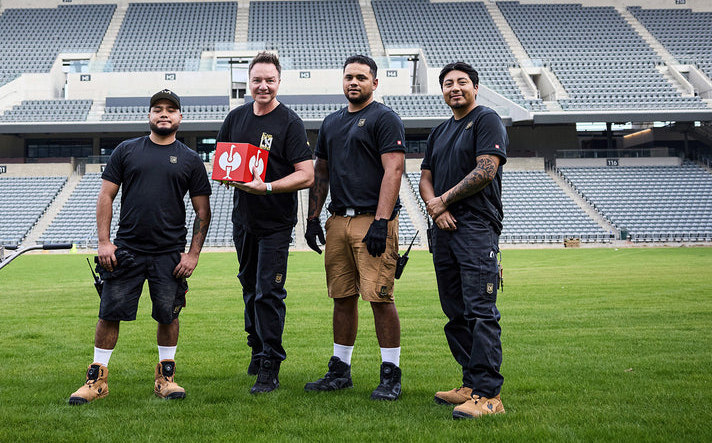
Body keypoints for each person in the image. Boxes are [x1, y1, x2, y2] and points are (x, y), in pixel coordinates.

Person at [69, 89, 211, 405]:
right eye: (157, 109)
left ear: (180, 118)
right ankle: (96, 381)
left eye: (170, 110)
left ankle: (166, 378)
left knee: (168, 316)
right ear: (149, 115)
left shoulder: (190, 160)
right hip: (127, 251)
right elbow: (106, 196)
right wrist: (104, 242)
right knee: (109, 313)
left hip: (169, 254)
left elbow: (203, 211)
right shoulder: (127, 150)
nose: (164, 114)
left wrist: (193, 254)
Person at [304, 54, 408, 400]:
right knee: (342, 297)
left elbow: (394, 170)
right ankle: (340, 371)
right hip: (338, 220)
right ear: (342, 81)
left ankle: (390, 374)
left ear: (374, 83)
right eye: (349, 77)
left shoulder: (384, 118)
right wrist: (312, 217)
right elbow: (322, 173)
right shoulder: (332, 122)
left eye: (362, 78)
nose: (354, 82)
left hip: (371, 220)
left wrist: (382, 220)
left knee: (380, 297)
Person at [216, 50, 315, 393]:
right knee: (248, 286)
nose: (263, 86)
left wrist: (268, 186)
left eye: (269, 80)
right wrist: (226, 176)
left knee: (268, 292)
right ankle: (256, 349)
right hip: (243, 219)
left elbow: (307, 174)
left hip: (276, 222)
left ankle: (271, 364)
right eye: (257, 80)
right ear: (248, 82)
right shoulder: (235, 118)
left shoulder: (289, 122)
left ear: (278, 82)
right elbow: (226, 162)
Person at [419, 61, 509, 420]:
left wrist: (445, 200)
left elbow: (486, 169)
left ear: (476, 87)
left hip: (475, 228)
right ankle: (470, 384)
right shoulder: (439, 131)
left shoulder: (486, 119)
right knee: (454, 312)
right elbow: (425, 176)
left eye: (461, 83)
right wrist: (435, 208)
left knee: (480, 311)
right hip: (443, 229)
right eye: (447, 84)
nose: (454, 88)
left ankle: (490, 396)